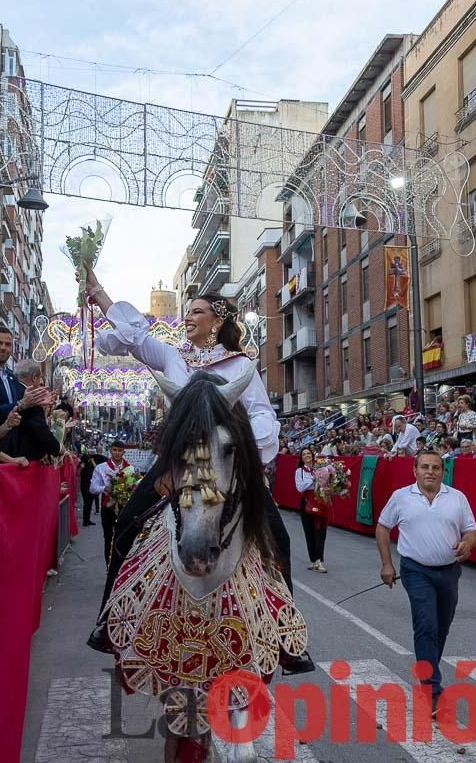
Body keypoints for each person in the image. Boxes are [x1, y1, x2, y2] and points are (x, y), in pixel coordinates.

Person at [83, 265, 306, 671]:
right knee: (129, 523)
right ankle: (109, 618)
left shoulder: (241, 366)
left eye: (197, 312)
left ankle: (287, 638)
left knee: (278, 537)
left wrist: (244, 449)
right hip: (175, 464)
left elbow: (260, 415)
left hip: (225, 462)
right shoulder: (172, 356)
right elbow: (136, 339)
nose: (187, 317)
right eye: (187, 311)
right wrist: (101, 296)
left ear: (218, 322)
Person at [376, 450, 476, 718]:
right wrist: (387, 564)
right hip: (415, 569)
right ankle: (431, 689)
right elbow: (383, 527)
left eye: (435, 467)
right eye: (424, 467)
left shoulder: (457, 498)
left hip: (448, 572)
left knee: (441, 628)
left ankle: (427, 671)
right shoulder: (401, 497)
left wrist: (467, 544)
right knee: (426, 624)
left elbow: (472, 530)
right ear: (415, 470)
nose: (430, 471)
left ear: (443, 472)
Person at [1, 359, 60, 462]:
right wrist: (59, 449)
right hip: (20, 459)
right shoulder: (30, 398)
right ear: (34, 377)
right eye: (40, 379)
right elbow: (40, 431)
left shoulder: (13, 391)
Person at [88, 440, 130, 564]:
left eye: (120, 450)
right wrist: (104, 488)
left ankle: (121, 567)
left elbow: (134, 486)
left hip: (124, 508)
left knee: (123, 538)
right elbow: (92, 488)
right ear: (110, 450)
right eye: (115, 450)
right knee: (108, 538)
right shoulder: (101, 468)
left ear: (124, 452)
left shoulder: (130, 469)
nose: (117, 453)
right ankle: (109, 567)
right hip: (107, 508)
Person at [294, 448, 328, 573]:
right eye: (304, 454)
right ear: (301, 458)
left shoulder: (320, 468)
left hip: (320, 501)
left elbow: (326, 483)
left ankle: (319, 560)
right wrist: (313, 479)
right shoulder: (299, 471)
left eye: (308, 453)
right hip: (307, 502)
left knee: (320, 531)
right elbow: (300, 487)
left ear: (313, 456)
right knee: (309, 531)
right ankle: (313, 559)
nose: (307, 455)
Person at [79, 448, 108, 526]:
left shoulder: (92, 463)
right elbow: (78, 474)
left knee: (90, 503)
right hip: (85, 485)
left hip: (91, 485)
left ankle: (87, 520)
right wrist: (81, 467)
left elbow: (97, 470)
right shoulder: (83, 462)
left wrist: (92, 462)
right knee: (87, 503)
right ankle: (85, 521)